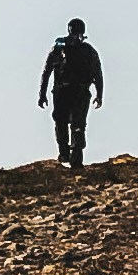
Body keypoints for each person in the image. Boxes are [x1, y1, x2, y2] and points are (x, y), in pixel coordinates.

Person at [36, 18, 106, 169]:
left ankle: (75, 159)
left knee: (77, 125)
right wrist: (42, 94)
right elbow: (47, 72)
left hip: (79, 93)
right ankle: (65, 153)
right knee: (62, 123)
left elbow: (98, 74)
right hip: (63, 92)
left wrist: (99, 95)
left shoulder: (88, 51)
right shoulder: (59, 49)